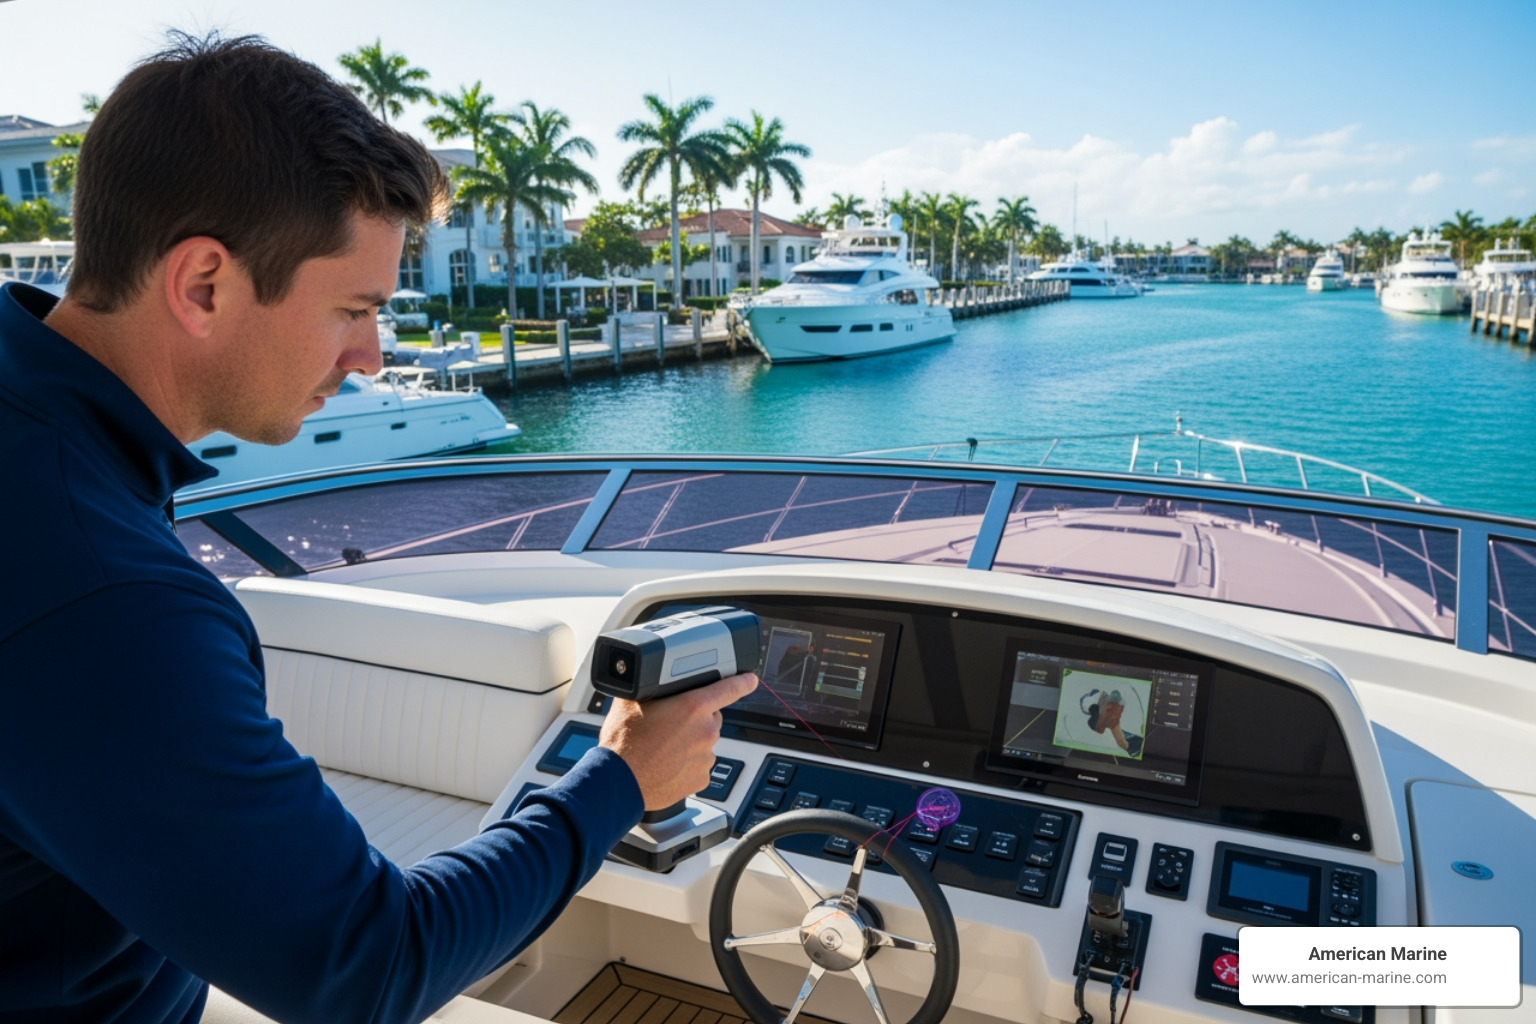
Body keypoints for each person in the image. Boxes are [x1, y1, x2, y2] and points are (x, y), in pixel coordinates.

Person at [0, 32, 756, 1024]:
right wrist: (620, 778)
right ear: (203, 286)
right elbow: (367, 968)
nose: (370, 354)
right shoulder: (108, 599)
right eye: (354, 307)